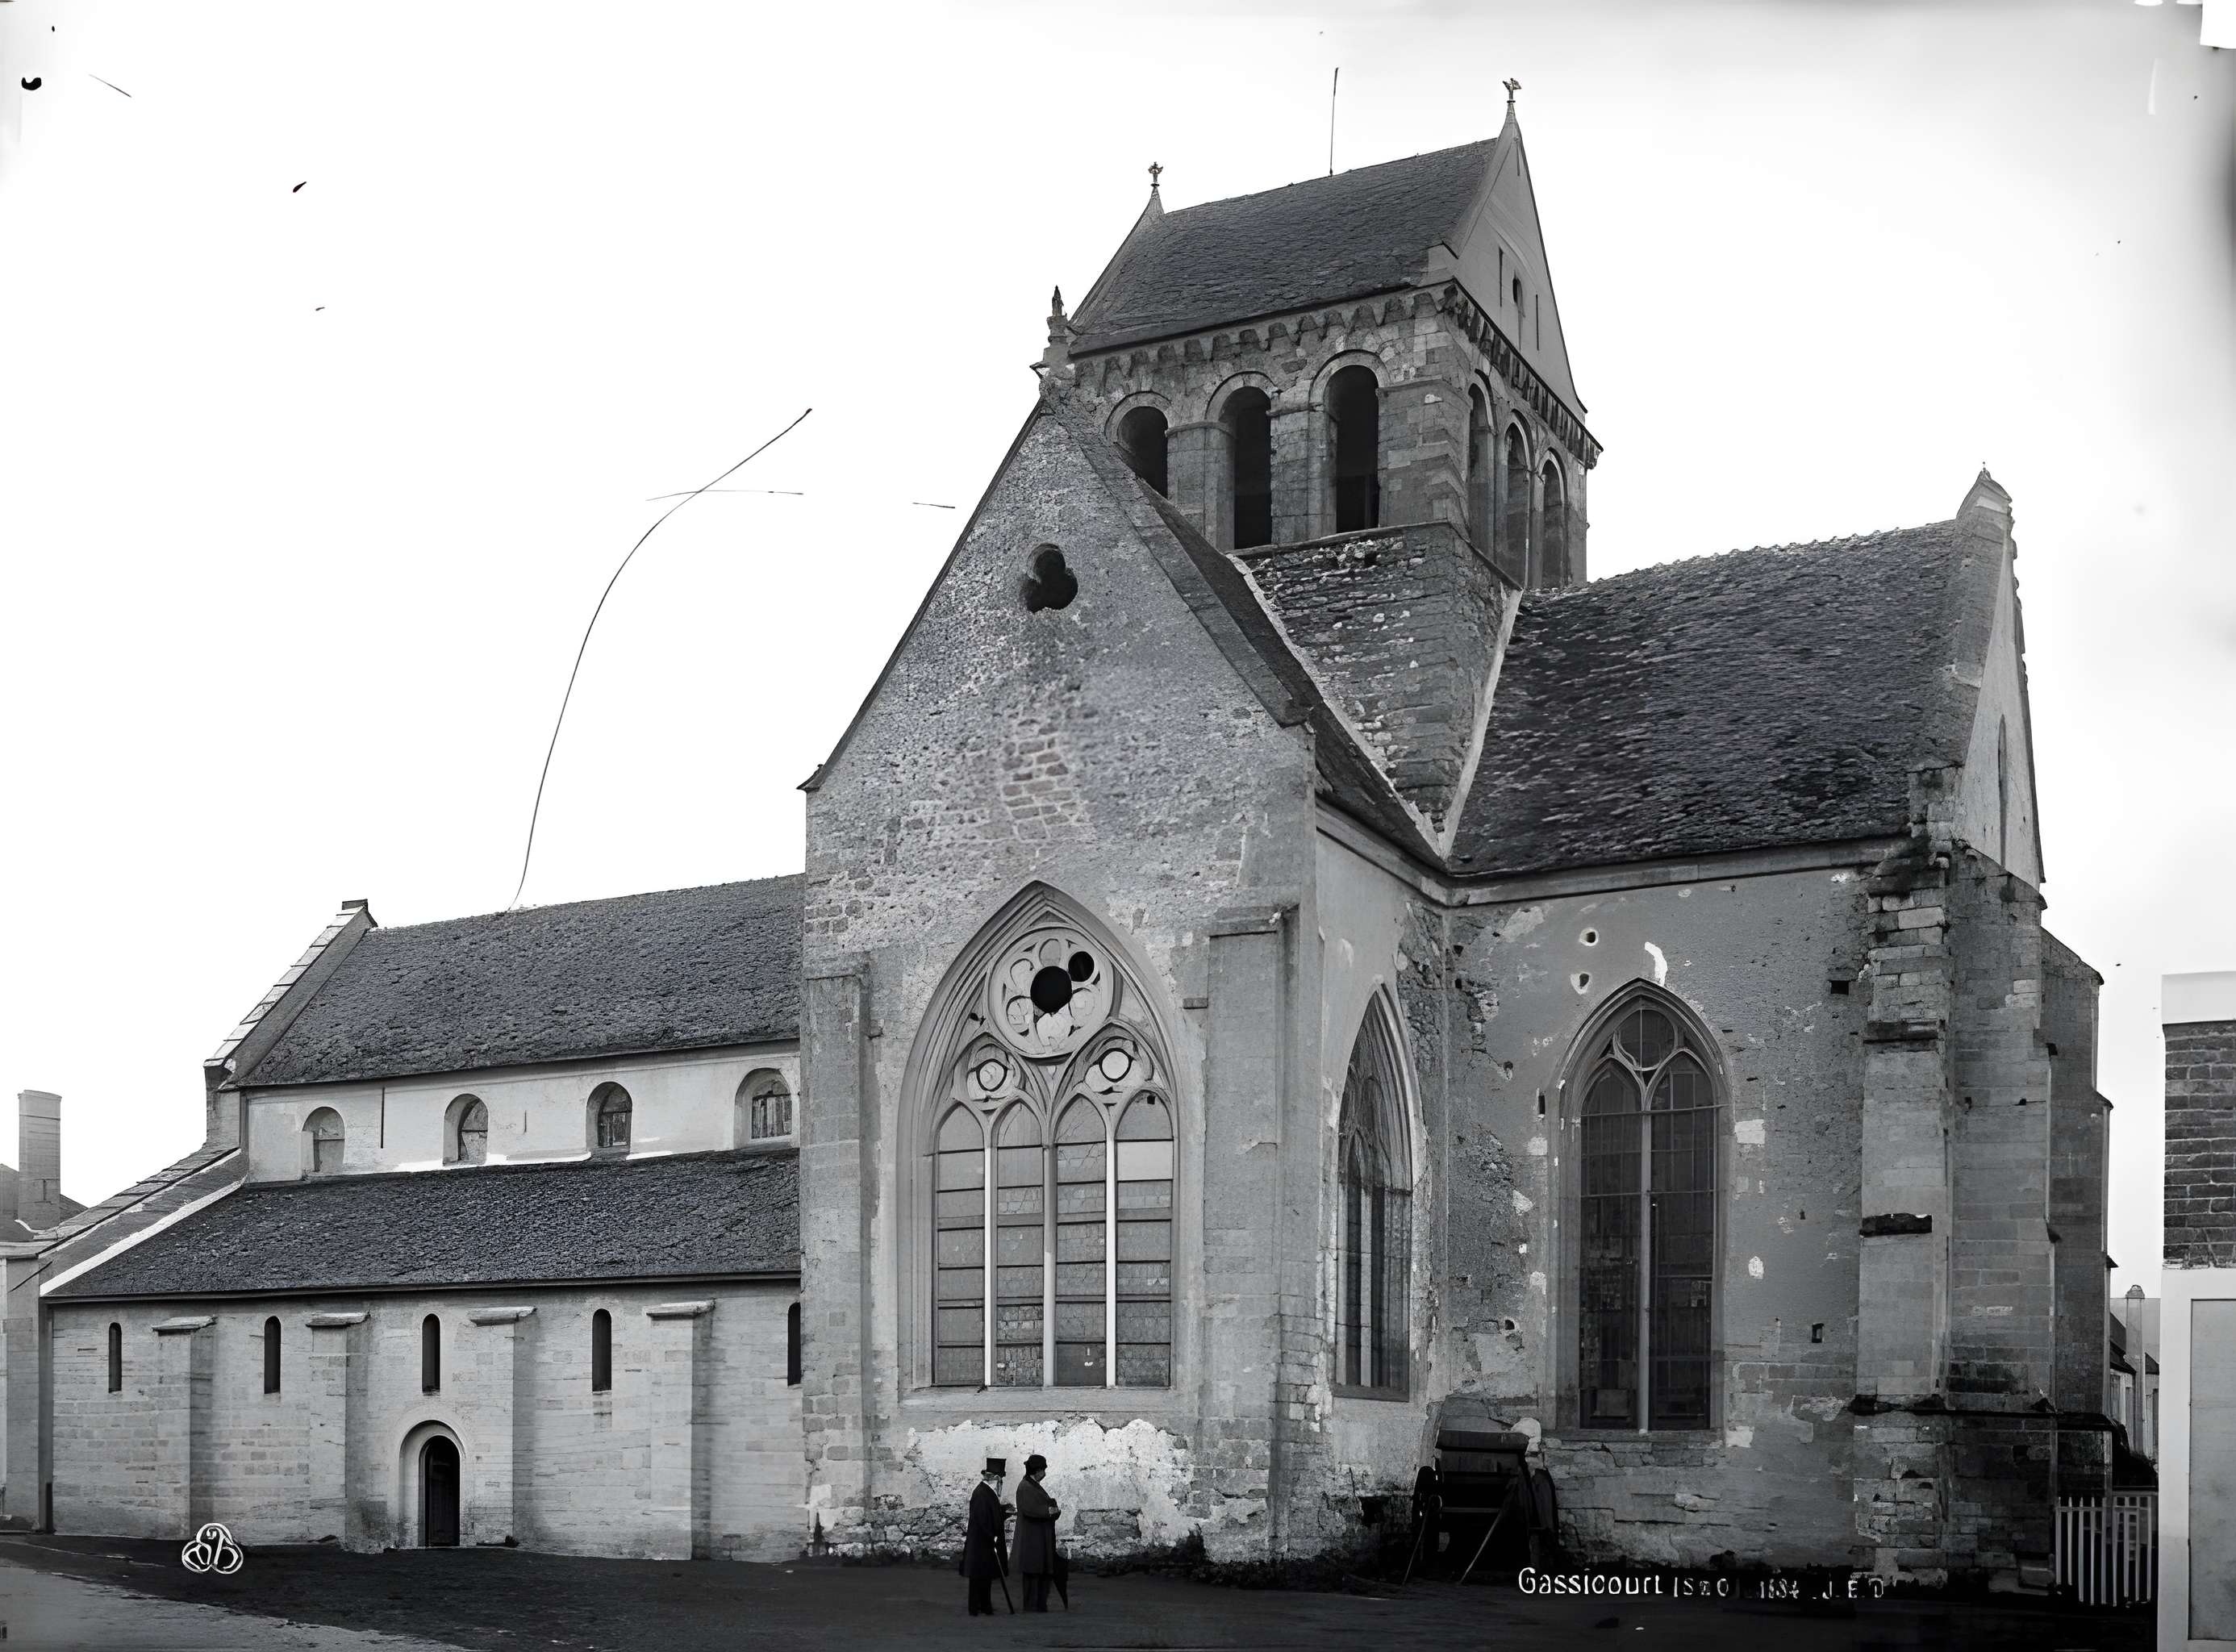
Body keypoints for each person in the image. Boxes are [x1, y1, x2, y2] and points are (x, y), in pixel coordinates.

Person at [960, 1457, 1011, 1616]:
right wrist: (992, 1537)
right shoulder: (982, 1493)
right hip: (981, 1544)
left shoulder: (987, 1492)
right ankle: (975, 1608)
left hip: (984, 1543)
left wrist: (1004, 1512)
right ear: (995, 1478)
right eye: (1000, 1479)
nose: (1001, 1482)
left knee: (985, 1576)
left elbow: (991, 1515)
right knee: (977, 1577)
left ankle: (984, 1605)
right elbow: (982, 1520)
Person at [1011, 1453, 1060, 1612]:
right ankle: (1032, 1605)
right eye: (1043, 1470)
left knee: (1038, 1571)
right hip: (1032, 1537)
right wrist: (1049, 1511)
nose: (1044, 1473)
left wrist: (1051, 1509)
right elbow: (1030, 1509)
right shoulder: (1026, 1487)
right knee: (1032, 1572)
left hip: (1037, 1536)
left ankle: (1038, 1604)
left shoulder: (1031, 1485)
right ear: (1037, 1470)